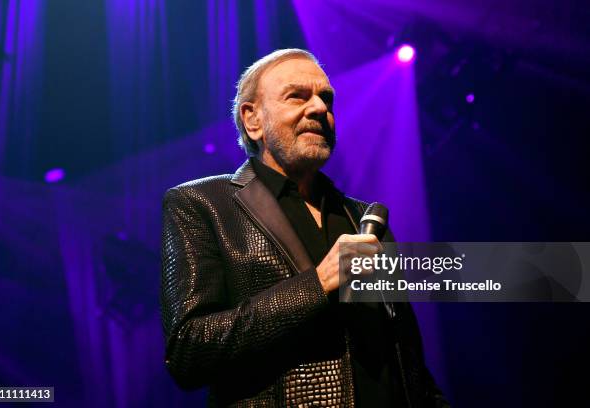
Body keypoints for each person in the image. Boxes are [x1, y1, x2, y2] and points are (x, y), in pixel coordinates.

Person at [160, 49, 448, 407]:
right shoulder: (202, 204)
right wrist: (317, 284)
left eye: (326, 99)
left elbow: (407, 360)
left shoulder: (365, 221)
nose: (318, 109)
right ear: (253, 120)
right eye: (297, 96)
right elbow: (189, 353)